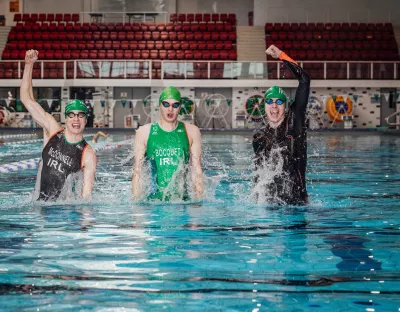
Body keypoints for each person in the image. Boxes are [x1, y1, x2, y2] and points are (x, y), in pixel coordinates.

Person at [20, 50, 97, 201]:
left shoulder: (88, 154)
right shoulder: (52, 131)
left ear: (85, 120)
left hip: (64, 214)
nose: (76, 119)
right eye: (71, 115)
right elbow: (27, 99)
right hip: (39, 209)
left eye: (80, 115)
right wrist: (28, 65)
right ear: (66, 118)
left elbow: (86, 196)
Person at [252, 45, 310, 205]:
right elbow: (258, 173)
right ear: (264, 106)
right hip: (270, 203)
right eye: (270, 102)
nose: (274, 106)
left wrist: (281, 55)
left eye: (279, 102)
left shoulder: (295, 123)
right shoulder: (259, 137)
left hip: (297, 205)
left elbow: (305, 80)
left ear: (285, 106)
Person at [132, 86, 203, 201]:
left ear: (180, 107)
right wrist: (136, 203)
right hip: (154, 202)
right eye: (166, 104)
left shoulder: (192, 131)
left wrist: (199, 201)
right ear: (159, 105)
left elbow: (196, 169)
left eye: (175, 105)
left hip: (182, 201)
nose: (170, 109)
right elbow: (138, 171)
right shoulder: (144, 132)